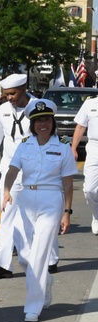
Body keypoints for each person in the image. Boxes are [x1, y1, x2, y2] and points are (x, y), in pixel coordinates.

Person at [1, 98, 75, 322]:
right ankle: (45, 283)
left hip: (51, 199)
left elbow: (68, 182)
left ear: (52, 122)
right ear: (31, 125)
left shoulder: (63, 146)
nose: (42, 124)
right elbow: (13, 169)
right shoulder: (24, 144)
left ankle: (33, 306)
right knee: (24, 255)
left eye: (46, 120)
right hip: (25, 198)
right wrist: (6, 191)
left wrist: (67, 211)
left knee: (40, 254)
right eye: (37, 121)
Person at [0, 74, 38, 280]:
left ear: (24, 88)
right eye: (5, 94)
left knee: (30, 220)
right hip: (10, 172)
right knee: (7, 215)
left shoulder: (38, 108)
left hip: (34, 172)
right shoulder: (2, 111)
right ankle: (2, 264)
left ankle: (42, 260)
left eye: (12, 93)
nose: (9, 98)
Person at [71, 90, 98, 235]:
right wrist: (73, 148)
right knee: (90, 190)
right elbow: (81, 126)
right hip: (95, 148)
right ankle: (96, 215)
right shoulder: (90, 104)